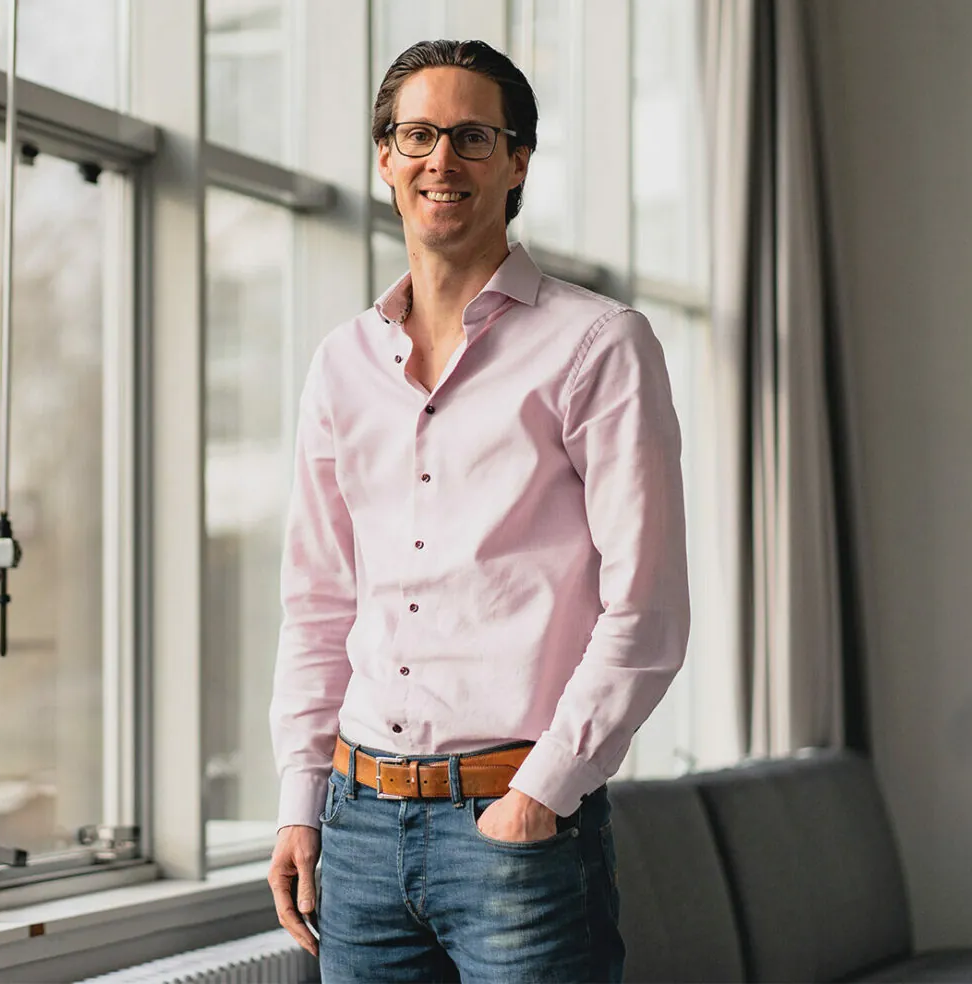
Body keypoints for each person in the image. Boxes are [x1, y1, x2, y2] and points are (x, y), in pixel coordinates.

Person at [266, 38, 690, 983]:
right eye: (416, 135)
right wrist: (300, 800)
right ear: (384, 158)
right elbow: (319, 602)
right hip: (358, 824)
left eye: (471, 137)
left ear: (518, 161)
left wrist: (541, 795)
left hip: (516, 830)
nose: (440, 162)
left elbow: (647, 609)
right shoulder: (341, 362)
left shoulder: (599, 345)